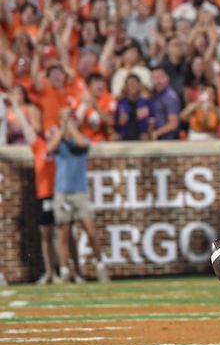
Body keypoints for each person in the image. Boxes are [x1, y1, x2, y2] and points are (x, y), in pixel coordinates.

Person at [50, 108, 109, 282]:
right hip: (62, 191)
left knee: (90, 230)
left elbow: (82, 144)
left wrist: (71, 127)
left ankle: (100, 265)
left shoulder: (82, 139)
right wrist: (62, 129)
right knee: (63, 233)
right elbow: (49, 148)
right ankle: (64, 271)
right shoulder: (58, 141)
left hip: (80, 191)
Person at [10, 94, 61, 284]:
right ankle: (50, 271)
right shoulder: (39, 146)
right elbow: (25, 128)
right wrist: (16, 108)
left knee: (64, 234)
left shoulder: (63, 148)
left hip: (60, 194)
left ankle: (66, 269)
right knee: (46, 235)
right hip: (44, 194)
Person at [114, 74, 154, 141]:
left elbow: (152, 121)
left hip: (142, 138)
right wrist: (113, 133)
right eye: (130, 84)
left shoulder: (147, 102)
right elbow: (114, 121)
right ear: (126, 86)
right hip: (123, 138)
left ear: (139, 85)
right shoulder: (120, 103)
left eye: (135, 83)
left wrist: (148, 134)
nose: (133, 86)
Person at [150, 67, 181, 140]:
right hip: (158, 140)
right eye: (154, 78)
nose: (157, 81)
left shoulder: (170, 97)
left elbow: (173, 124)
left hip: (169, 141)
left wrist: (156, 133)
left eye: (160, 77)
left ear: (167, 78)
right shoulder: (155, 95)